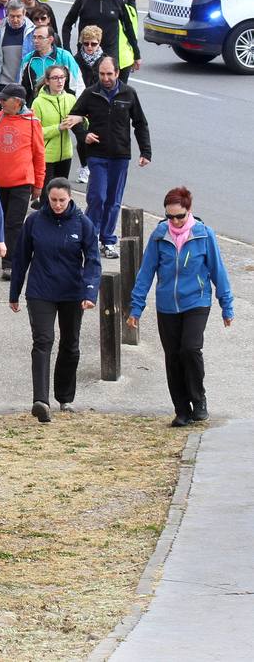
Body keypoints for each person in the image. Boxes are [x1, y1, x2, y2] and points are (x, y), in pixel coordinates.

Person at [129, 187, 234, 427]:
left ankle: (199, 400)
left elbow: (219, 272)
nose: (174, 221)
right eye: (170, 217)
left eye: (180, 216)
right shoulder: (159, 236)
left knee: (190, 349)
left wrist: (226, 306)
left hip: (197, 301)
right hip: (167, 305)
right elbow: (146, 273)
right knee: (173, 357)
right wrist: (136, 308)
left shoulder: (204, 235)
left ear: (190, 211)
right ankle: (181, 410)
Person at [9, 178, 100, 423]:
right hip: (41, 290)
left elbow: (93, 260)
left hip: (71, 292)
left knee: (70, 344)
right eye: (53, 200)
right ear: (47, 199)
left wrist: (90, 293)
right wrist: (14, 292)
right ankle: (41, 400)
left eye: (62, 200)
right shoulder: (35, 221)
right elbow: (21, 257)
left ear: (70, 198)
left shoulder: (83, 223)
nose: (58, 205)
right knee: (43, 340)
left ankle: (65, 397)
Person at [61, 56, 151, 258]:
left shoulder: (129, 93)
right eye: (102, 74)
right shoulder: (90, 93)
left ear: (117, 73)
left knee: (113, 200)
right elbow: (74, 118)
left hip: (120, 155)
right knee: (97, 197)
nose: (106, 78)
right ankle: (88, 238)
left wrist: (146, 152)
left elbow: (140, 123)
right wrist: (85, 135)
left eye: (110, 74)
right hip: (97, 155)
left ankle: (108, 240)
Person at [0, 84, 45, 279]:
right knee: (0, 221)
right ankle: (6, 254)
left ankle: (9, 263)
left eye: (5, 99)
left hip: (22, 183)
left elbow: (39, 155)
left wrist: (38, 184)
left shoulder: (32, 122)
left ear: (18, 102)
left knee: (14, 223)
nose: (1, 102)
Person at [61, 0, 141, 70]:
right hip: (86, 56)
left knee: (109, 86)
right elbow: (67, 25)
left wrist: (137, 54)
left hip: (109, 56)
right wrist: (67, 51)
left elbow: (128, 27)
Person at [32, 64, 78, 186]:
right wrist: (58, 128)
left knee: (61, 193)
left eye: (62, 77)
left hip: (66, 155)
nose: (60, 81)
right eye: (55, 78)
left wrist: (79, 119)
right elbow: (35, 133)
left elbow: (85, 122)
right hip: (46, 156)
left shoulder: (70, 98)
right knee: (47, 196)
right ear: (47, 81)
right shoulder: (38, 102)